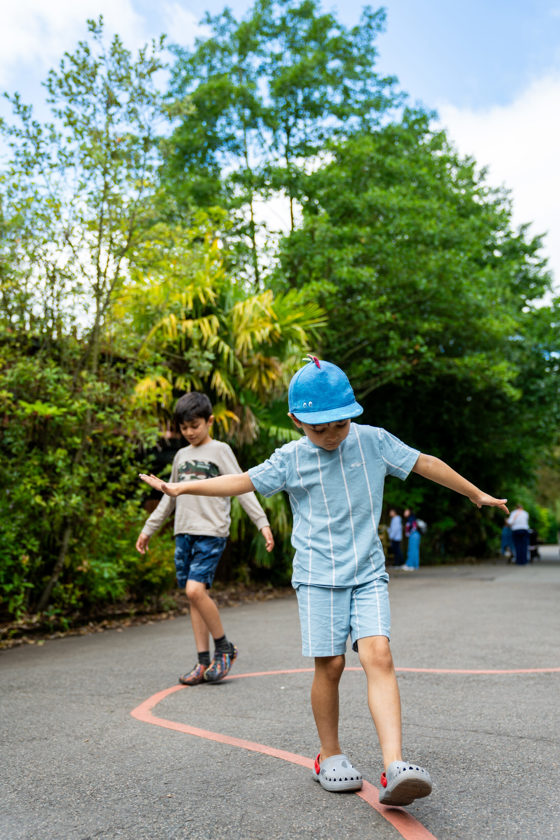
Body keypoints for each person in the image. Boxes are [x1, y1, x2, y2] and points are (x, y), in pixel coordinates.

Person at [139, 356, 508, 807]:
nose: (331, 435)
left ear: (352, 413)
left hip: (367, 572)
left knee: (380, 654)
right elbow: (241, 482)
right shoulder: (291, 458)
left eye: (339, 424)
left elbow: (425, 463)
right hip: (318, 577)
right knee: (330, 666)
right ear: (296, 421)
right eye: (319, 428)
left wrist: (476, 493)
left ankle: (395, 765)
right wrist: (182, 489)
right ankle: (329, 756)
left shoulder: (373, 442)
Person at [136, 392, 274, 685]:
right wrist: (149, 528)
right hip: (183, 532)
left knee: (195, 591)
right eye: (184, 428)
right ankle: (202, 662)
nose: (189, 432)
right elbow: (168, 498)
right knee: (192, 596)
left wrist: (262, 522)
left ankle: (224, 648)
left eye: (195, 426)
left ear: (209, 421)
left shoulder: (220, 450)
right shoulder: (181, 456)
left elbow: (241, 487)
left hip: (211, 532)